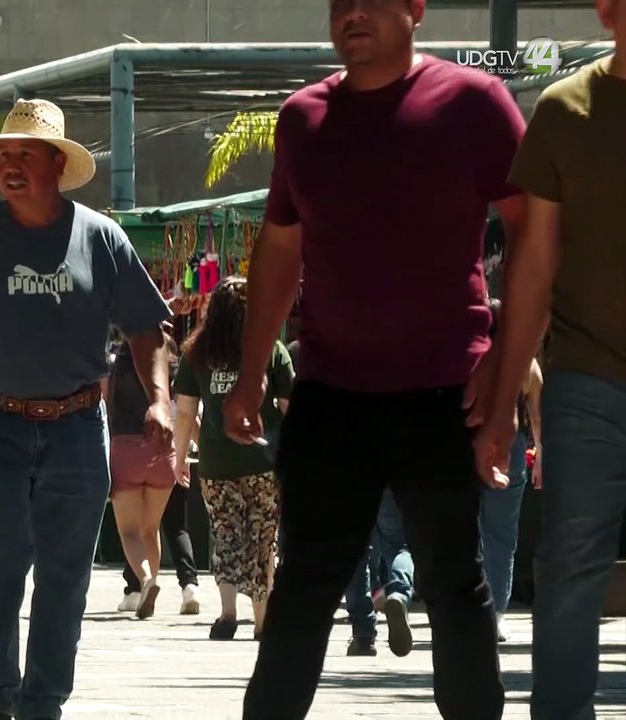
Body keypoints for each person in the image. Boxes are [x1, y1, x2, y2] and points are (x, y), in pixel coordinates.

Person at [223, 0, 528, 716]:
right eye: (339, 4)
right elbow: (280, 250)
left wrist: (506, 359)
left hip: (445, 390)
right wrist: (249, 375)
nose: (352, 14)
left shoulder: (474, 102)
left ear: (416, 8)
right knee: (304, 585)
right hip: (332, 393)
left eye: (373, 1)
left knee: (455, 583)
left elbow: (533, 232)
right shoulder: (303, 118)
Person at [0, 98, 172, 720]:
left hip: (77, 426)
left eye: (25, 153)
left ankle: (43, 703)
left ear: (57, 162)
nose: (10, 164)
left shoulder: (100, 237)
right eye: (5, 154)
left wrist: (157, 398)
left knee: (66, 572)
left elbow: (146, 328)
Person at [474, 3, 625, 715]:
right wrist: (506, 400)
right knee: (569, 568)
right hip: (588, 379)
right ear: (606, 10)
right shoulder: (566, 110)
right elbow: (531, 267)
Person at [172, 276, 291, 640]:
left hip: (216, 461)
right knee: (261, 537)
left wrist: (179, 458)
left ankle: (226, 615)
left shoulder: (197, 353)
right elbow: (290, 406)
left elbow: (185, 413)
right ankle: (260, 620)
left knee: (224, 533)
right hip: (263, 461)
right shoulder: (271, 349)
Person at [476, 298, 542, 643]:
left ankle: (469, 609)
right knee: (502, 535)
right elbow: (536, 414)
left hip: (469, 443)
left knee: (467, 531)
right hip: (511, 448)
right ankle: (496, 614)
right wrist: (540, 453)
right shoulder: (523, 362)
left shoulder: (468, 358)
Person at [104, 328, 180, 620]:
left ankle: (147, 580)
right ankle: (152, 588)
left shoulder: (115, 365)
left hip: (125, 448)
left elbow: (102, 403)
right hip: (162, 450)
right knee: (151, 529)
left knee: (130, 532)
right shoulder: (170, 366)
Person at [343, 489, 416, 656]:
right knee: (397, 547)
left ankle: (363, 635)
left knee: (356, 552)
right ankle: (400, 594)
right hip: (391, 477)